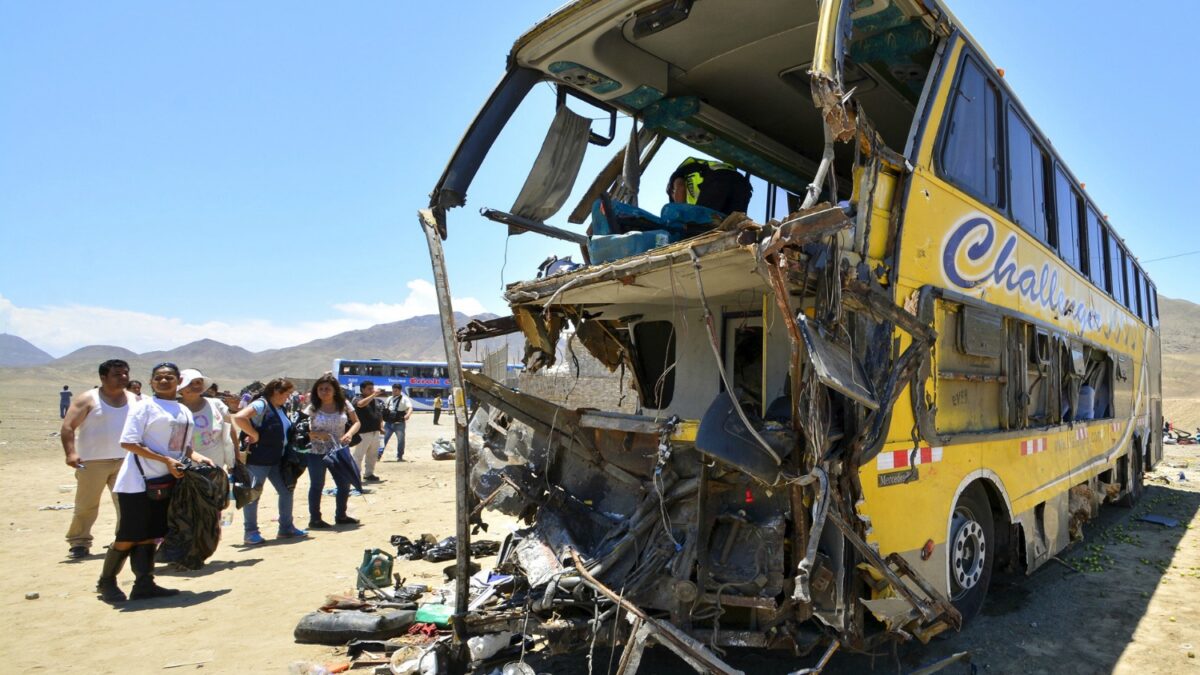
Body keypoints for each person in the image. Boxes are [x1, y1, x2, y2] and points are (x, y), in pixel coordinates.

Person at [97, 362, 214, 603]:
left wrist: (195, 456)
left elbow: (181, 444)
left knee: (151, 535)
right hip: (137, 482)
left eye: (169, 377)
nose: (163, 381)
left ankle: (144, 583)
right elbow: (129, 442)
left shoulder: (182, 410)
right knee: (128, 535)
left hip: (166, 481)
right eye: (158, 378)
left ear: (178, 381)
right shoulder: (145, 407)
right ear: (151, 382)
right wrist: (166, 460)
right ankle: (106, 582)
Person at [60, 359, 135, 559]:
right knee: (86, 504)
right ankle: (79, 542)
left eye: (126, 373)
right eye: (117, 374)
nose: (124, 377)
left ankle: (123, 540)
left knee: (126, 504)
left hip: (125, 460)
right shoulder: (87, 399)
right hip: (93, 461)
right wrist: (71, 453)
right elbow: (68, 426)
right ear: (103, 377)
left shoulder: (135, 399)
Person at [231, 378, 306, 545]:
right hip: (259, 460)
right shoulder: (261, 404)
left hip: (277, 459)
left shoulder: (280, 408)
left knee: (286, 490)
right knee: (253, 495)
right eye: (286, 394)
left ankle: (286, 528)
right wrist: (255, 435)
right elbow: (240, 417)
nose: (288, 397)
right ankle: (250, 532)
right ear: (276, 392)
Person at [303, 373, 361, 528]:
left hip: (339, 451)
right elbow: (301, 429)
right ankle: (315, 519)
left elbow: (356, 422)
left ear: (335, 390)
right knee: (317, 485)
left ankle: (341, 515)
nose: (324, 392)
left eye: (327, 389)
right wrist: (315, 434)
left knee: (344, 484)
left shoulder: (344, 404)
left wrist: (349, 433)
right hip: (316, 452)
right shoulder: (312, 408)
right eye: (320, 389)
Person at [666, 157, 752, 215]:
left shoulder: (678, 175)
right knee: (734, 226)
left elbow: (680, 188)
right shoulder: (693, 199)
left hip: (718, 179)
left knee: (700, 226)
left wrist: (680, 216)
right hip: (741, 183)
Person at [352, 381, 384, 481]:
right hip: (363, 432)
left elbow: (379, 414)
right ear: (362, 390)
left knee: (373, 455)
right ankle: (355, 475)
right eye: (369, 389)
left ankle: (369, 474)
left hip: (375, 431)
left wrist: (381, 427)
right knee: (358, 455)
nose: (372, 390)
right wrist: (373, 395)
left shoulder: (374, 400)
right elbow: (360, 404)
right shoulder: (358, 398)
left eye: (372, 388)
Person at [383, 384, 413, 462]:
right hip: (388, 423)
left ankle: (399, 456)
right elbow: (385, 408)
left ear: (400, 391)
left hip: (399, 423)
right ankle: (378, 455)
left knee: (401, 440)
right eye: (393, 390)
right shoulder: (389, 398)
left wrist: (408, 415)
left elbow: (410, 407)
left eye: (395, 390)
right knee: (383, 439)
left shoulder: (404, 399)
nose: (393, 391)